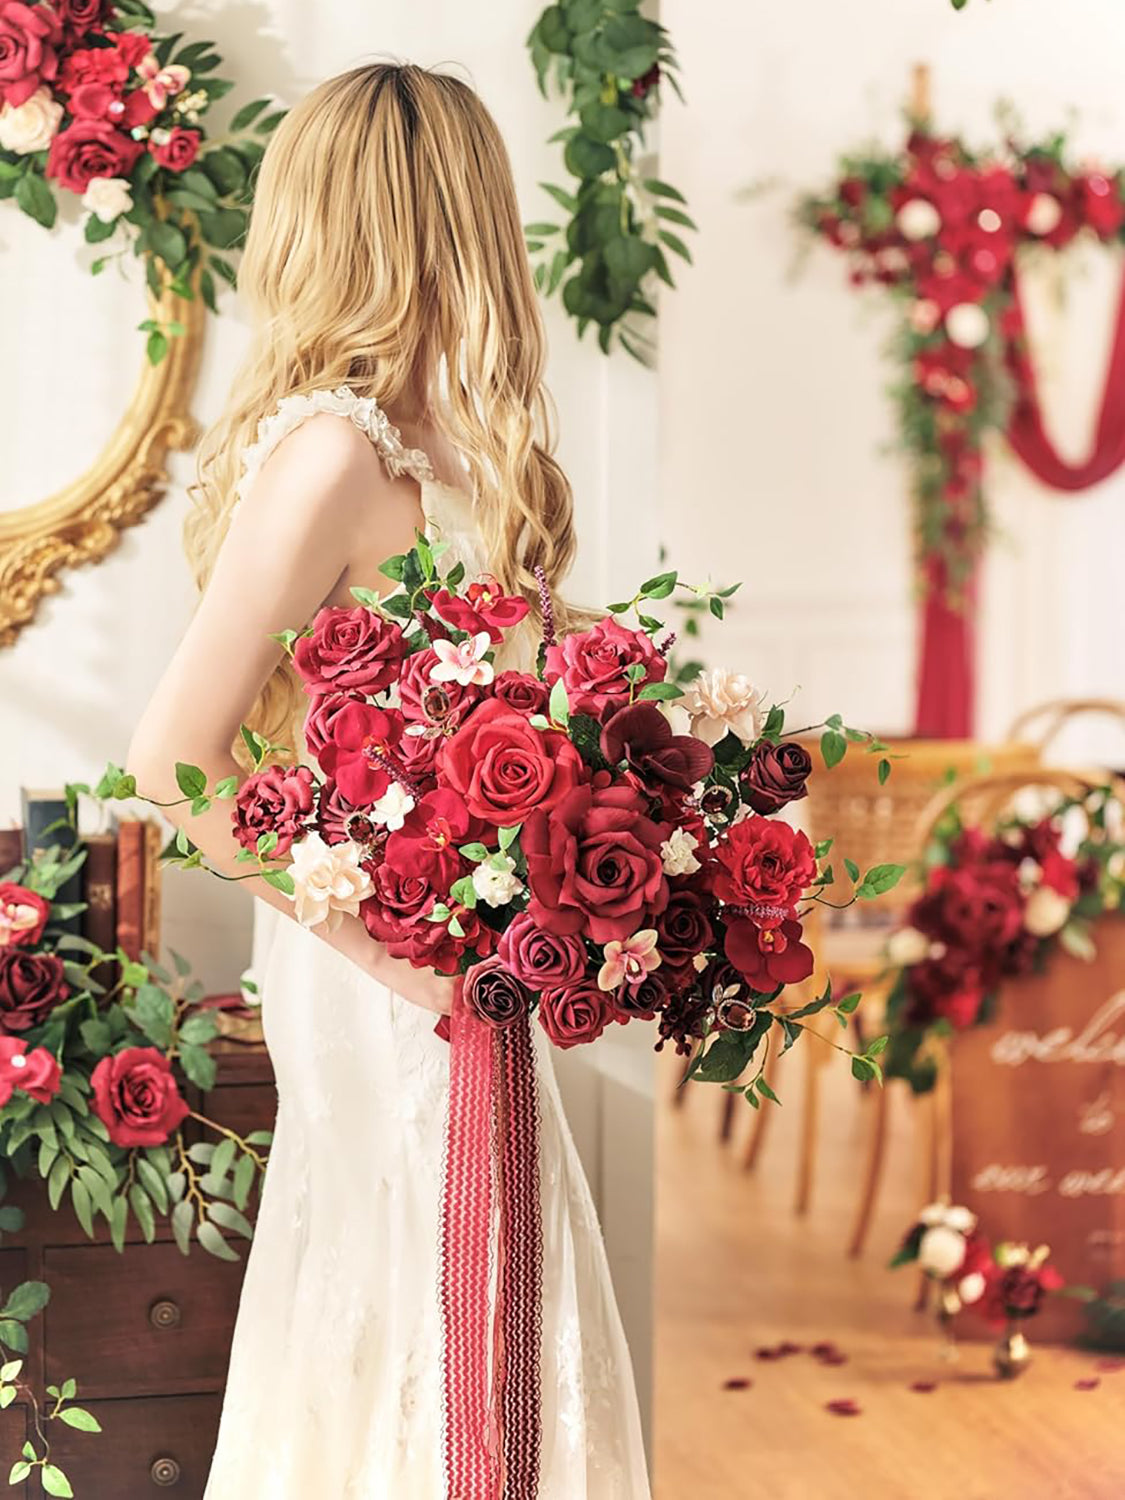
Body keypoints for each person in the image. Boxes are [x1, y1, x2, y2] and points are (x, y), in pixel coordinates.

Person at [127, 61, 650, 1499]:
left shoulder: (465, 461)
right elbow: (171, 758)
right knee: (429, 1299)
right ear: (449, 218)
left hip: (467, 973)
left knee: (488, 1301)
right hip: (386, 983)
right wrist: (388, 956)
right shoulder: (327, 458)